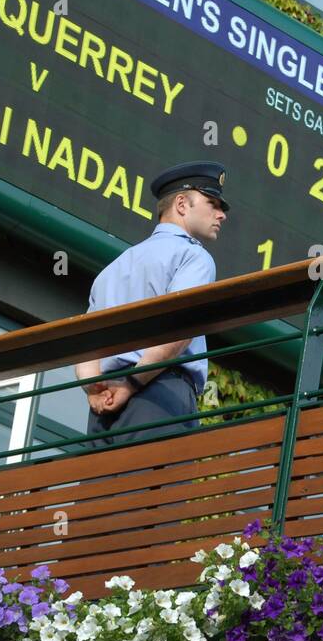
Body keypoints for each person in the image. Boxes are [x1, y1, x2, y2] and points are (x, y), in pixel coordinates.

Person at [77, 160, 229, 448]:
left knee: (101, 493)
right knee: (155, 490)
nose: (222, 215)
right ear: (182, 204)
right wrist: (131, 384)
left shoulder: (113, 268)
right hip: (161, 396)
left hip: (102, 406)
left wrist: (93, 390)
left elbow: (86, 348)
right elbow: (180, 330)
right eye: (213, 203)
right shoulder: (194, 257)